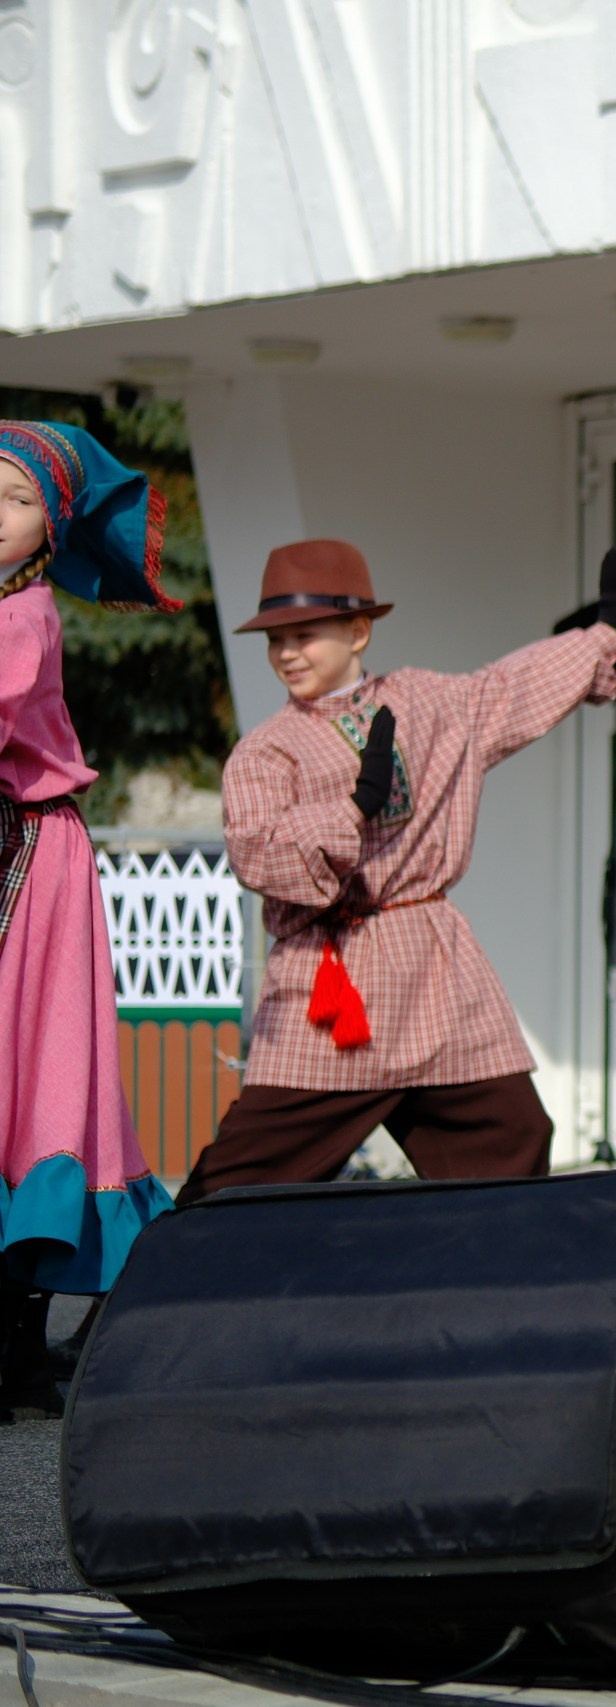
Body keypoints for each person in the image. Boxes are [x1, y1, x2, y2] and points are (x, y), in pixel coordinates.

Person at [177, 540, 616, 1205]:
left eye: (304, 634)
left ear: (359, 630)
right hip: (332, 986)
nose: (286, 652)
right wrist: (351, 808)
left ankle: (494, 1301)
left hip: (436, 969)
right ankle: (156, 1299)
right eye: (275, 638)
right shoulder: (266, 750)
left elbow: (508, 687)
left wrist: (604, 634)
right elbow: (256, 852)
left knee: (511, 1138)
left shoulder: (426, 701)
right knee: (241, 1180)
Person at [0, 421, 180, 1416]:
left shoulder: (23, 618)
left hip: (33, 865)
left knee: (37, 1088)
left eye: (16, 499)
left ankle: (20, 1348)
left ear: (52, 527)